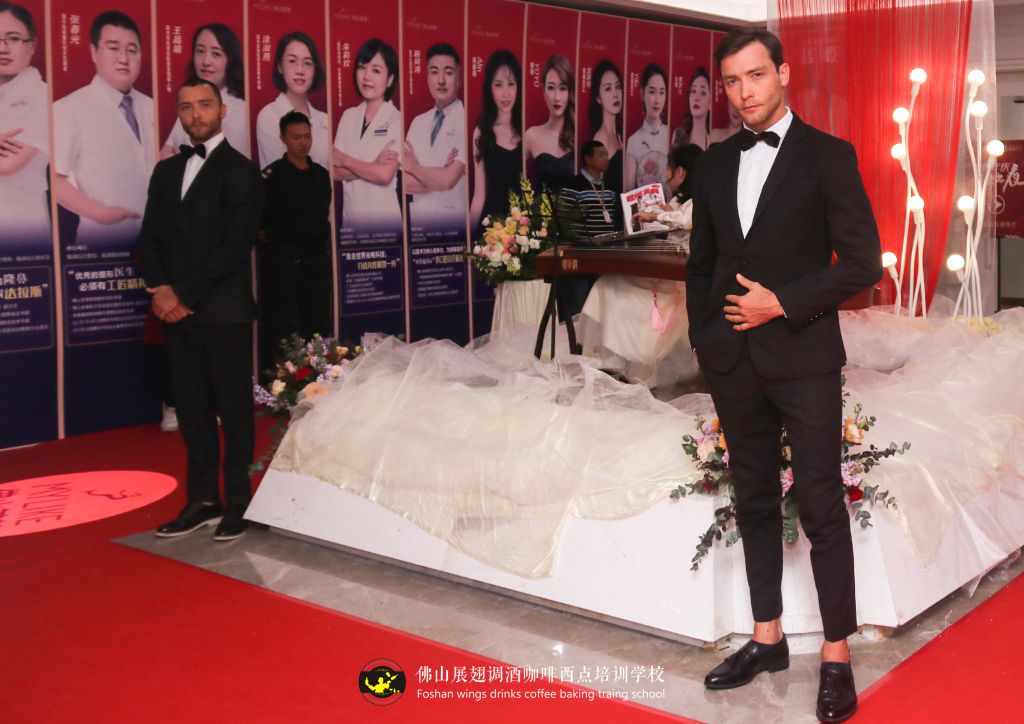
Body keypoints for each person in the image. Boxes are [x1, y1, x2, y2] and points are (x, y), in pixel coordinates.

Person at [687, 29, 881, 723]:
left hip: (802, 358)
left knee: (822, 504)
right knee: (754, 499)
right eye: (732, 81)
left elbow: (862, 264)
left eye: (756, 75)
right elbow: (702, 263)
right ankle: (766, 637)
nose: (744, 92)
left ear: (784, 73)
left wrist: (783, 303)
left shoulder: (829, 156)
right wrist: (705, 339)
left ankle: (836, 654)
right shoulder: (715, 163)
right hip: (732, 361)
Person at [137, 78, 264, 541]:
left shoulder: (241, 172)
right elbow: (150, 236)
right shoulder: (166, 172)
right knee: (191, 410)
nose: (196, 115)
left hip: (222, 312)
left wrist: (181, 295)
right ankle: (204, 500)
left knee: (234, 411)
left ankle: (240, 502)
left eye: (205, 105)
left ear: (222, 110)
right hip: (175, 312)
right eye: (187, 107)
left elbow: (234, 247)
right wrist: (161, 290)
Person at [578, 143, 702, 387]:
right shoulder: (678, 200)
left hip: (679, 282)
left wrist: (656, 215)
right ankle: (614, 357)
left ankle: (630, 361)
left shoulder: (699, 201)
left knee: (617, 288)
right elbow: (672, 215)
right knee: (609, 282)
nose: (665, 174)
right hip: (666, 274)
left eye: (669, 168)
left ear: (681, 172)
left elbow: (686, 220)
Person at [52, 10, 153, 245]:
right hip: (102, 239)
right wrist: (99, 214)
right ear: (93, 52)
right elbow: (56, 179)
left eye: (132, 50)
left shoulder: (152, 107)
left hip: (154, 242)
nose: (123, 58)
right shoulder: (68, 108)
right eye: (113, 48)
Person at [258, 111, 332, 374]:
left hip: (315, 262)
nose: (303, 143)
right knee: (282, 327)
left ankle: (322, 376)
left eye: (307, 137)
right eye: (296, 137)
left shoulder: (320, 174)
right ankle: (281, 382)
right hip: (283, 264)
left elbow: (321, 216)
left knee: (318, 325)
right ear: (283, 138)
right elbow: (260, 225)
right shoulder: (272, 176)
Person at [333, 38, 401, 233]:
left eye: (376, 70)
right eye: (362, 67)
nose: (366, 76)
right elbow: (334, 172)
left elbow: (384, 175)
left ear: (390, 79)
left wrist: (344, 160)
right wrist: (373, 164)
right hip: (351, 222)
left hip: (385, 225)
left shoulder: (397, 119)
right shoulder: (349, 116)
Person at [160, 23, 248, 159]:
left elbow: (231, 164)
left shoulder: (240, 111)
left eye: (216, 54)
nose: (206, 62)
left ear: (230, 61)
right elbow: (164, 152)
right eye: (200, 51)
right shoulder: (190, 98)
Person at [403, 43, 466, 231]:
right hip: (419, 225)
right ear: (427, 77)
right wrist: (439, 175)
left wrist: (414, 167)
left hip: (452, 225)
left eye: (448, 72)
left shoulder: (466, 120)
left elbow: (448, 180)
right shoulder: (417, 122)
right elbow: (402, 181)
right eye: (434, 72)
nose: (441, 80)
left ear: (459, 78)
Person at [0, 2, 48, 239]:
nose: (3, 48)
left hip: (19, 226)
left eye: (13, 38)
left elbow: (7, 164)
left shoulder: (42, 97)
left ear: (32, 45)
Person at [255, 31, 330, 169]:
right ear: (280, 66)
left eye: (307, 63)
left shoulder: (325, 119)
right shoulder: (269, 116)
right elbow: (281, 173)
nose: (300, 70)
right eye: (292, 61)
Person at [468, 49, 522, 234]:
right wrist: (469, 241)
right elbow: (479, 195)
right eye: (498, 85)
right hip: (490, 234)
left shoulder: (525, 133)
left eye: (511, 84)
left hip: (522, 234)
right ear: (490, 89)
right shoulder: (482, 133)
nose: (506, 93)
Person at [524, 54, 574, 194]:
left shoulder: (578, 138)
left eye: (562, 88)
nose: (557, 97)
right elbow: (511, 178)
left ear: (570, 92)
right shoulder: (532, 135)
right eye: (551, 88)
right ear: (544, 91)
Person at [558, 140, 618, 240]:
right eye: (601, 155)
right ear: (588, 159)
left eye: (607, 155)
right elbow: (563, 220)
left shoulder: (610, 186)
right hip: (583, 246)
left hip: (608, 245)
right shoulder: (572, 186)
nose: (606, 158)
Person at [624, 62, 668, 192]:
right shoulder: (634, 140)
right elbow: (629, 189)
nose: (657, 100)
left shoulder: (672, 135)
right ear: (642, 94)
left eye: (662, 92)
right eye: (652, 92)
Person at [588, 59, 623, 195]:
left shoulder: (618, 135)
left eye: (618, 87)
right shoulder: (601, 139)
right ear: (598, 98)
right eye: (608, 89)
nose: (615, 94)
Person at [672, 67, 711, 150]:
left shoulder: (712, 142)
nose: (696, 98)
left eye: (703, 93)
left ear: (710, 103)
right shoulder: (678, 135)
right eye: (693, 91)